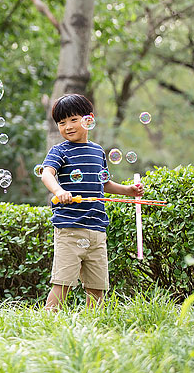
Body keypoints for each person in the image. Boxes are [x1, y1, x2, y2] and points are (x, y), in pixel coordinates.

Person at [40, 94, 143, 310]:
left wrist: (128, 191)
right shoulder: (59, 151)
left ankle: (92, 324)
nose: (67, 126)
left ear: (89, 120)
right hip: (69, 228)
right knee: (63, 282)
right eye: (61, 122)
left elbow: (103, 183)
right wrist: (59, 191)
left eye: (73, 119)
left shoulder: (97, 151)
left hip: (97, 228)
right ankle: (47, 321)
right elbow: (47, 174)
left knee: (97, 286)